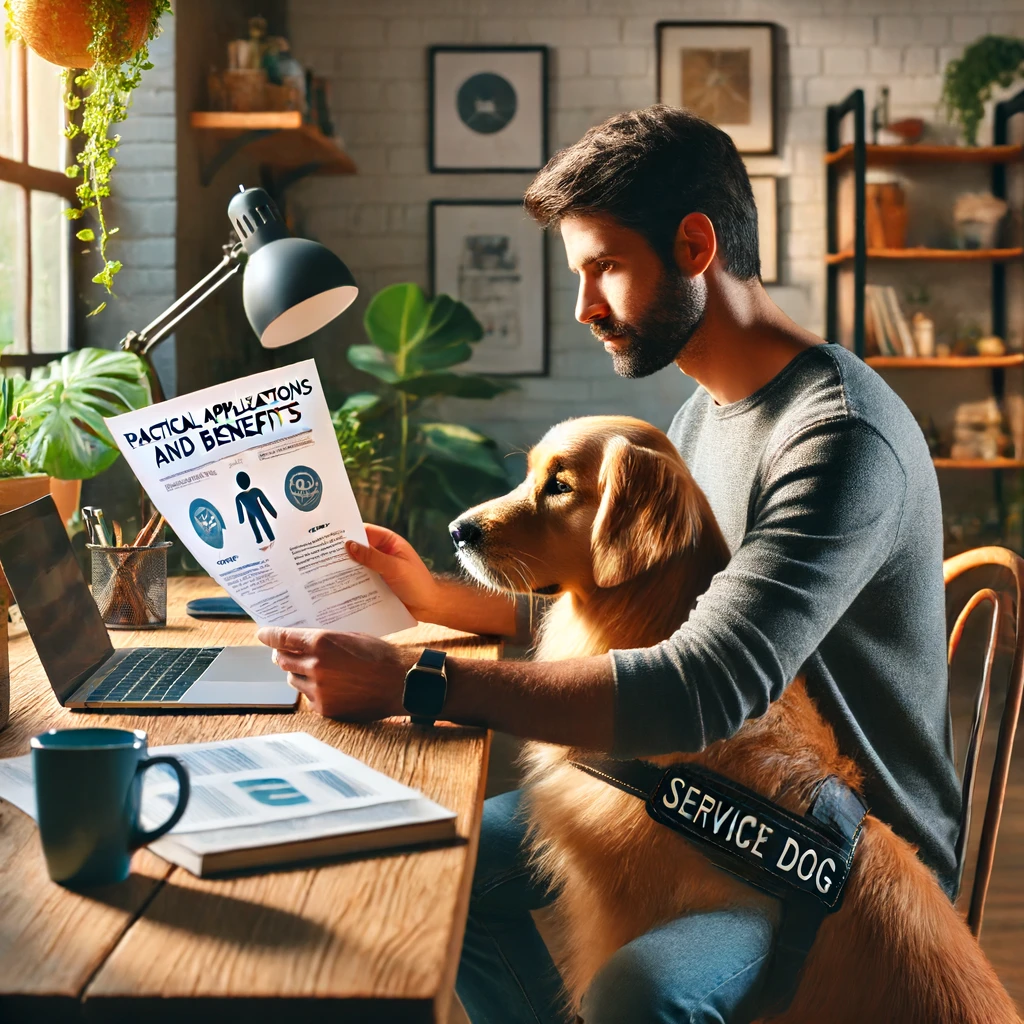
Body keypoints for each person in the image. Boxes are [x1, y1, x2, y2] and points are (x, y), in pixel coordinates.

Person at [257, 106, 961, 1024]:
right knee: (450, 857)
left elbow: (704, 682)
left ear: (696, 244)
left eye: (604, 268)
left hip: (831, 858)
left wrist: (419, 682)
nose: (587, 306)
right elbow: (648, 623)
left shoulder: (837, 437)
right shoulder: (706, 415)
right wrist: (436, 601)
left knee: (640, 992)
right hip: (696, 787)